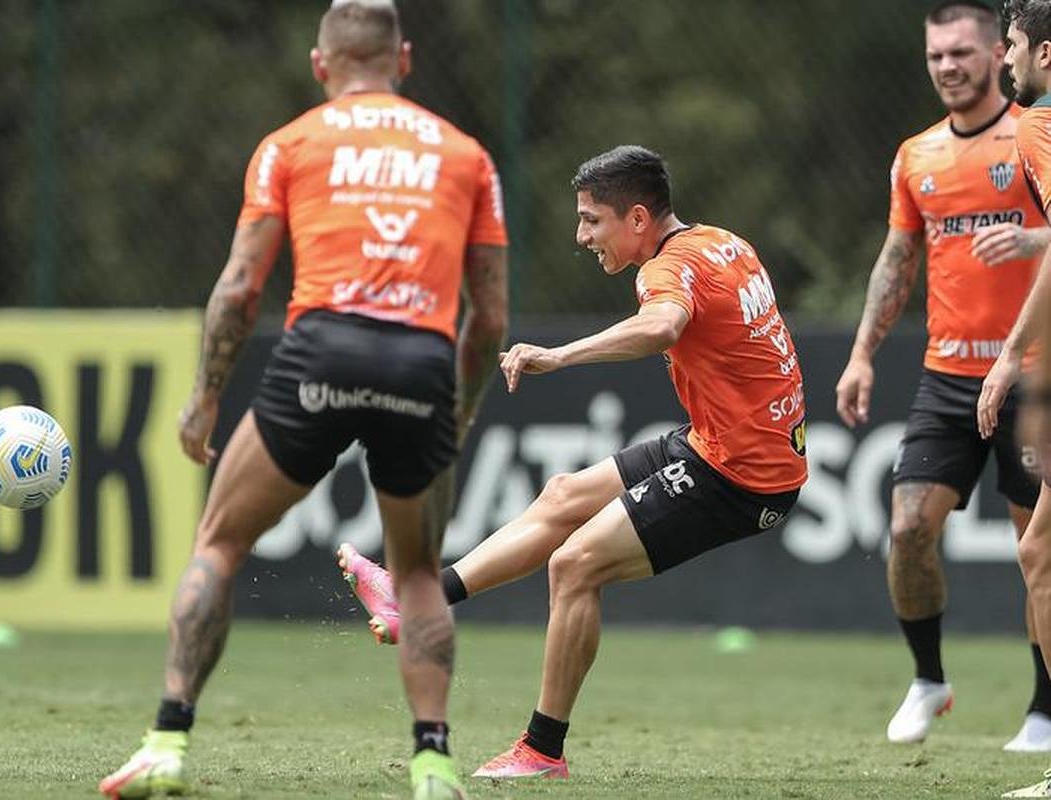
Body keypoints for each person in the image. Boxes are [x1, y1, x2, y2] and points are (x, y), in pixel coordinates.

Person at [97, 1, 509, 798]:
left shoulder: (289, 144)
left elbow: (240, 286)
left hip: (320, 351)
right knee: (418, 573)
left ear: (321, 65)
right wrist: (453, 410)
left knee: (218, 541)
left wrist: (204, 398)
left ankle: (167, 743)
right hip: (420, 359)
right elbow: (488, 317)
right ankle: (431, 764)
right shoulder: (466, 156)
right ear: (405, 60)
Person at [341, 144, 808, 778]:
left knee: (574, 564)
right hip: (724, 444)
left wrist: (560, 356)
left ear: (637, 219)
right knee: (561, 494)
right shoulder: (724, 242)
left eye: (592, 219)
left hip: (742, 476)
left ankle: (541, 750)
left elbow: (663, 326)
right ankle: (417, 600)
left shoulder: (662, 272)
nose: (581, 235)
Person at [833, 0, 1051, 750]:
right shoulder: (915, 156)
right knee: (905, 528)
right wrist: (862, 353)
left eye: (961, 53)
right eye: (935, 57)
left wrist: (1030, 237)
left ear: (998, 55)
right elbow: (897, 261)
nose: (947, 67)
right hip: (945, 378)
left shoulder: (1031, 133)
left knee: (1038, 550)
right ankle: (928, 679)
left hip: (1031, 374)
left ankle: (1044, 708)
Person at [996, 2, 1051, 794]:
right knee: (1038, 549)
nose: (1004, 59)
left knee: (1039, 552)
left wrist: (1008, 355)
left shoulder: (1035, 124)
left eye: (1009, 44)